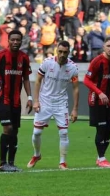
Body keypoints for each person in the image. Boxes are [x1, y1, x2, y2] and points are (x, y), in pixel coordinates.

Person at [0, 29, 33, 172]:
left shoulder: (24, 58)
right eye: (13, 40)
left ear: (21, 41)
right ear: (8, 41)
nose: (15, 42)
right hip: (1, 98)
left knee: (15, 131)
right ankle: (2, 163)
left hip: (16, 100)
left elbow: (25, 78)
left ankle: (11, 163)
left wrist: (29, 97)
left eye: (18, 40)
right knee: (8, 128)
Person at [28, 41, 80, 170]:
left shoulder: (73, 68)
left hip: (60, 103)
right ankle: (37, 155)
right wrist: (36, 100)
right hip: (44, 101)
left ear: (69, 53)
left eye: (65, 52)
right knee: (37, 132)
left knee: (64, 132)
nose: (62, 54)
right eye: (60, 51)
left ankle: (62, 162)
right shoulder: (47, 62)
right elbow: (38, 80)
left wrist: (75, 109)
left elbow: (75, 88)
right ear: (57, 50)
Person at [83, 37, 110, 168]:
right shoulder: (97, 61)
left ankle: (101, 156)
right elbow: (86, 80)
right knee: (101, 128)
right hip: (96, 99)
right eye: (108, 46)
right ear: (103, 47)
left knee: (108, 129)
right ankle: (101, 158)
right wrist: (100, 92)